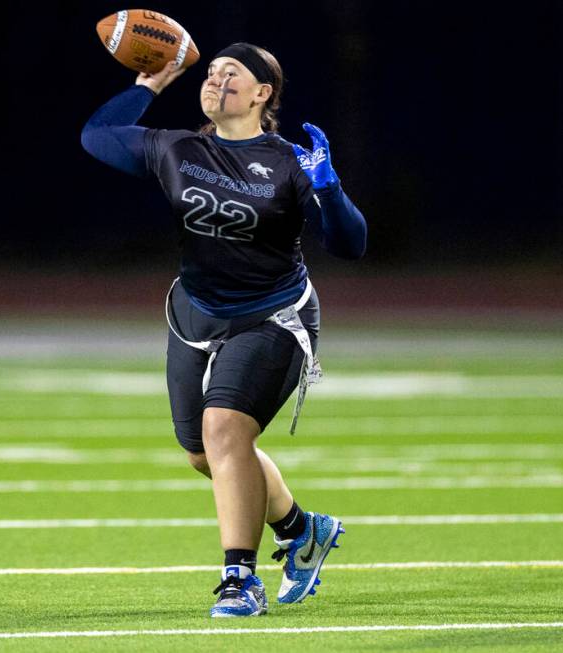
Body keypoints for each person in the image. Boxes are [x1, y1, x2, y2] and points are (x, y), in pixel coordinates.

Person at [81, 43, 367, 618]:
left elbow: (351, 245)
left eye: (231, 74)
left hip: (272, 316)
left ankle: (242, 581)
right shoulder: (178, 148)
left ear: (263, 94)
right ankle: (302, 529)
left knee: (225, 432)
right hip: (195, 313)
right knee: (200, 452)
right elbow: (97, 135)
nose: (215, 81)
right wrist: (152, 82)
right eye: (209, 73)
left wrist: (331, 191)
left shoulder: (288, 161)